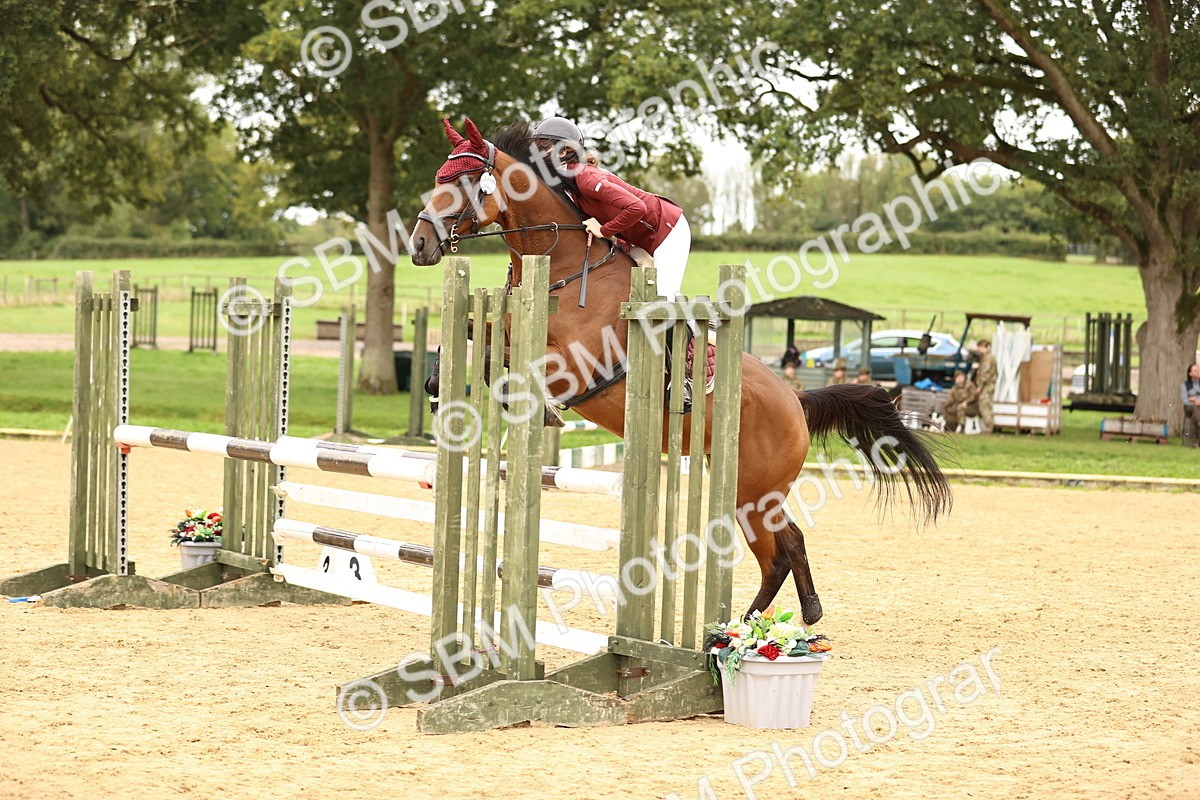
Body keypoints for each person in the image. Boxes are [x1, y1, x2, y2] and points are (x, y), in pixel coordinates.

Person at [532, 117, 691, 300]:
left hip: (668, 229)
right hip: (640, 239)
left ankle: (702, 329)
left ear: (564, 151)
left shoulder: (586, 178)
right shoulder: (570, 184)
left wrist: (603, 230)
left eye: (542, 148)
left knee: (666, 298)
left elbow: (637, 207)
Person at [973, 339, 998, 434]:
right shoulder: (989, 357)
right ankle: (988, 427)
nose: (978, 350)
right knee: (987, 405)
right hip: (989, 386)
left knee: (984, 406)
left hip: (986, 386)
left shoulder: (988, 358)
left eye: (979, 348)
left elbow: (985, 373)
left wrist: (980, 385)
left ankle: (988, 428)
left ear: (983, 347)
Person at [1182, 363, 1200, 447]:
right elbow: (1185, 400)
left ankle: (1195, 441)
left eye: (1198, 370)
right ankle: (1195, 441)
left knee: (1196, 416)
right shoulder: (1185, 385)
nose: (1198, 372)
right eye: (1195, 371)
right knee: (1194, 409)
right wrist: (1193, 400)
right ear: (1190, 373)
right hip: (1189, 407)